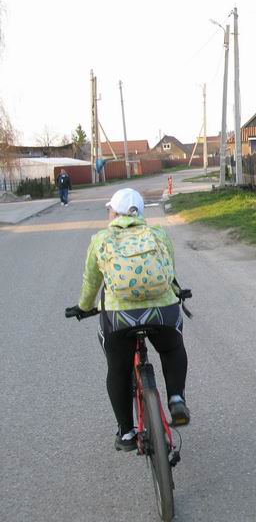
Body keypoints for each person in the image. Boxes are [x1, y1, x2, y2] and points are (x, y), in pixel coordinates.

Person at [75, 188, 190, 451]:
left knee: (118, 368)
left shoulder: (101, 239)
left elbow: (91, 282)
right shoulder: (157, 233)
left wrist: (83, 307)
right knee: (172, 348)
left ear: (113, 212)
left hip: (120, 318)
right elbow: (169, 270)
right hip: (162, 312)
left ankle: (126, 433)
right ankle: (175, 398)